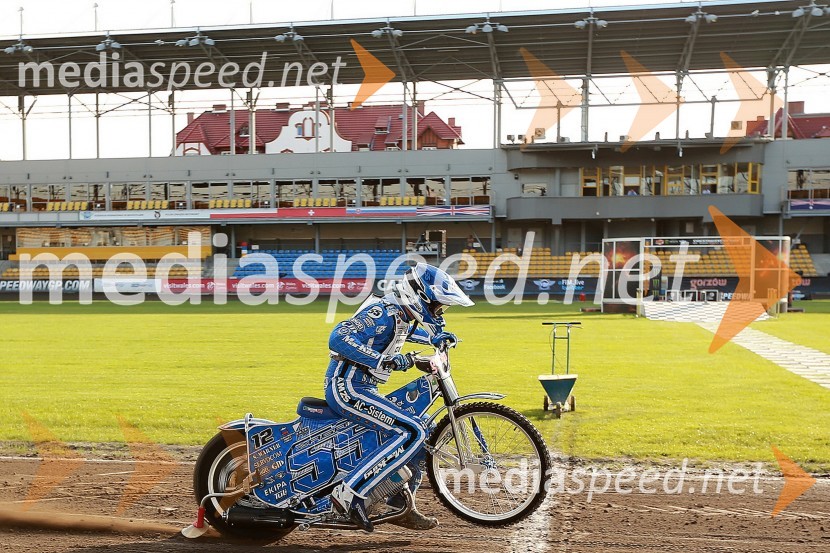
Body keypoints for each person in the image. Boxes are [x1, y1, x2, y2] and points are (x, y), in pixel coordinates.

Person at [325, 262, 474, 532]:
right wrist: (387, 361)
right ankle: (347, 494)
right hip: (347, 387)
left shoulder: (400, 317)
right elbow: (338, 337)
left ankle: (399, 505)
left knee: (426, 430)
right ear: (420, 298)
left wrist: (435, 339)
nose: (439, 313)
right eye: (437, 307)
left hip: (364, 388)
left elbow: (401, 334)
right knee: (411, 430)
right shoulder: (382, 311)